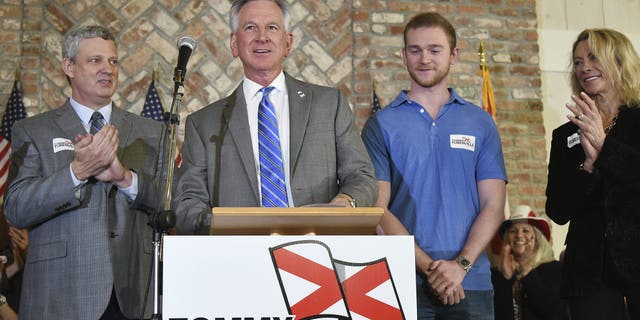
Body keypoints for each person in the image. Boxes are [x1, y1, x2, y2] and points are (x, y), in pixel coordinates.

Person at [3, 25, 166, 319]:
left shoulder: (151, 131)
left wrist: (125, 179)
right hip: (59, 295)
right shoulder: (33, 130)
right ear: (69, 66)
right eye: (96, 61)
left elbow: (171, 204)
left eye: (113, 61)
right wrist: (76, 172)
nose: (108, 70)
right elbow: (16, 208)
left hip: (133, 295)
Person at [173, 0, 377, 234]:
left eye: (272, 27)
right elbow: (188, 202)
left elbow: (361, 176)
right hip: (239, 254)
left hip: (318, 249)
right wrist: (224, 228)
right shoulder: (204, 123)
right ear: (234, 44)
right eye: (250, 28)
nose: (262, 37)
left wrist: (346, 201)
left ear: (288, 42)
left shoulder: (329, 105)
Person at [361, 12, 507, 319]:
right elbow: (377, 209)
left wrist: (461, 265)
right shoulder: (381, 124)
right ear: (403, 55)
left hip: (471, 280)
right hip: (401, 278)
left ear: (454, 54)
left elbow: (493, 205)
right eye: (415, 50)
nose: (424, 58)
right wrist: (433, 270)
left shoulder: (480, 122)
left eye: (434, 49)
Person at [546, 28, 640, 320]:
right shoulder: (566, 135)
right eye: (577, 61)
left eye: (593, 57)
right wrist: (587, 168)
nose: (584, 67)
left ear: (620, 62)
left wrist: (604, 146)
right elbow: (558, 211)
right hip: (589, 276)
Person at [491, 205, 567, 320]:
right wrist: (505, 278)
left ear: (536, 239)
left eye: (525, 230)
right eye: (513, 231)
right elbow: (498, 314)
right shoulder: (496, 274)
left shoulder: (554, 269)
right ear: (507, 239)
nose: (519, 235)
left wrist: (526, 269)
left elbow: (552, 313)